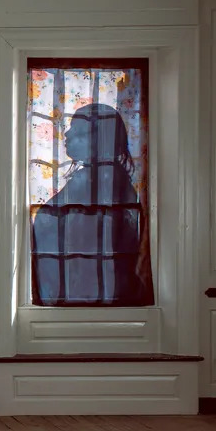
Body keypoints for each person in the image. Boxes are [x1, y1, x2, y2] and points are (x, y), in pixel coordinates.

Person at [31, 103, 153, 306]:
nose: (67, 135)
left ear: (100, 139)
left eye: (78, 131)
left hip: (90, 293)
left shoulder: (101, 181)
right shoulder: (104, 179)